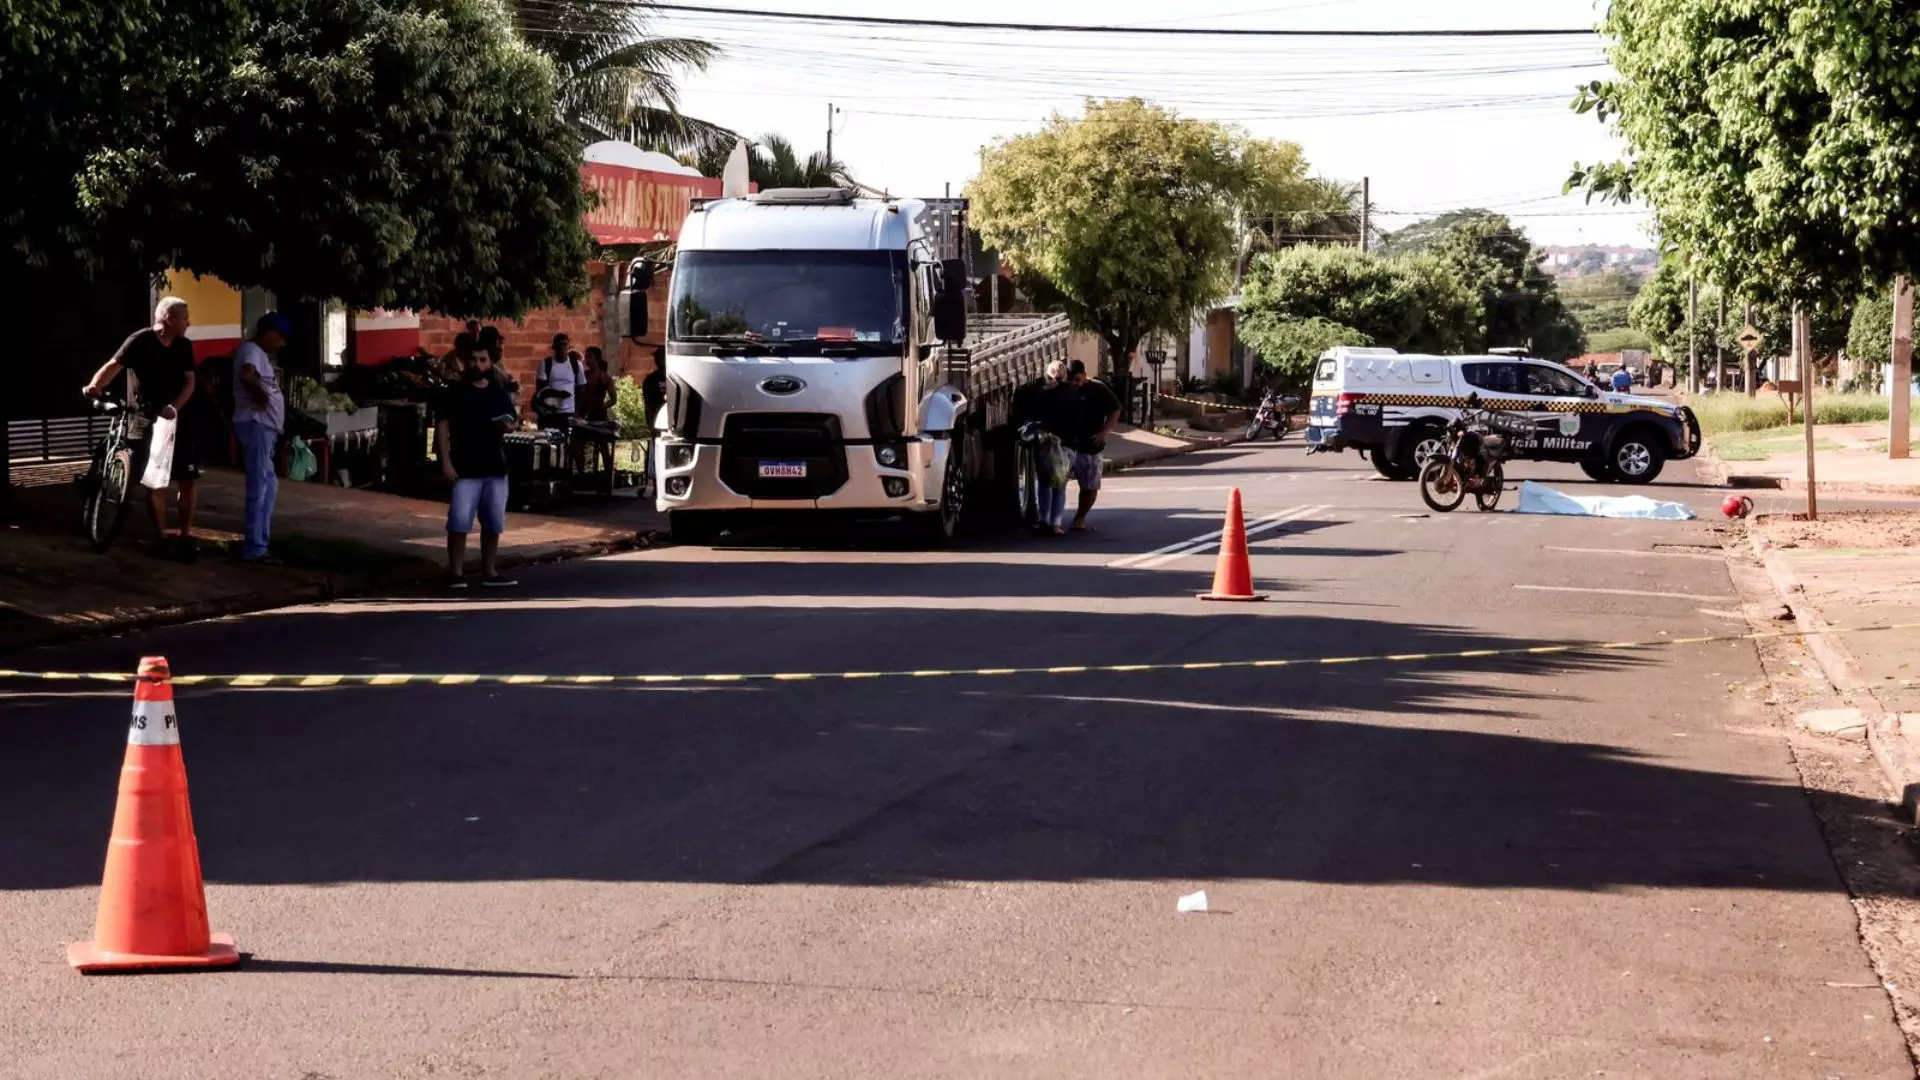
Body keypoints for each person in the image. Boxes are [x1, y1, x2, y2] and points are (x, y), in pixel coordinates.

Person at [83, 296, 201, 560]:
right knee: (154, 481)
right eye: (184, 318)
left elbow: (190, 382)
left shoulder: (183, 346)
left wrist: (175, 407)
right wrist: (95, 385)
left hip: (176, 419)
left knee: (187, 478)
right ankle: (160, 536)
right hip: (145, 418)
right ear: (168, 319)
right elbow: (114, 365)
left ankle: (186, 535)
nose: (188, 323)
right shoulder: (140, 340)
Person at [437, 350, 518, 588]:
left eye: (482, 360)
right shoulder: (455, 391)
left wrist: (507, 426)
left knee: (493, 522)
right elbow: (442, 428)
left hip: (495, 466)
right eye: (472, 359)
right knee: (459, 521)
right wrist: (445, 462)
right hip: (465, 467)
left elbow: (512, 422)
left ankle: (490, 571)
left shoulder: (497, 392)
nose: (477, 364)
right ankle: (457, 573)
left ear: (490, 363)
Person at [232, 312, 290, 562]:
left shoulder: (258, 354)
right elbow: (247, 375)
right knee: (259, 486)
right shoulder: (252, 351)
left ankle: (261, 542)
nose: (282, 344)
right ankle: (254, 547)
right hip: (256, 424)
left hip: (265, 427)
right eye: (279, 338)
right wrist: (261, 396)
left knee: (269, 484)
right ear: (268, 333)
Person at [1065, 359, 1120, 532]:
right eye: (1072, 380)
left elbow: (1115, 409)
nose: (1075, 383)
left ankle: (1080, 517)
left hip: (1090, 444)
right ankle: (1051, 519)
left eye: (1078, 379)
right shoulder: (1066, 390)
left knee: (1089, 485)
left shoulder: (1098, 388)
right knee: (1056, 482)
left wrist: (1105, 432)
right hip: (1069, 444)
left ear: (1085, 375)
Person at [1031, 360, 1079, 535]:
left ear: (1047, 373)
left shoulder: (1040, 393)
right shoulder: (1072, 393)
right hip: (1065, 444)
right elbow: (1076, 417)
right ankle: (1056, 523)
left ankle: (1043, 519)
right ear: (1065, 374)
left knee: (1044, 482)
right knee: (1060, 484)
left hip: (1045, 442)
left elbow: (1035, 417)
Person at [536, 334, 581, 419]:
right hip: (550, 412)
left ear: (569, 347)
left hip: (570, 411)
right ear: (554, 347)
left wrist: (577, 411)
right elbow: (540, 389)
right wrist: (558, 394)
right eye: (559, 345)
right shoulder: (546, 363)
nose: (562, 347)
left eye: (565, 344)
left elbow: (581, 388)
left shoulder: (576, 364)